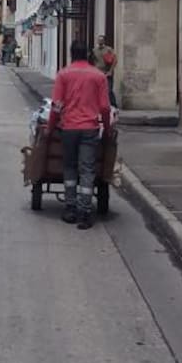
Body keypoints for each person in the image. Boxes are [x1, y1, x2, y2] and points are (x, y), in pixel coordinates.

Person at [47, 40, 112, 230]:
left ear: (71, 54)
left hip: (68, 128)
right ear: (88, 55)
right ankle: (85, 212)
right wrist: (107, 129)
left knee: (69, 167)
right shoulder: (98, 76)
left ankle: (70, 208)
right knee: (87, 168)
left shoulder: (64, 74)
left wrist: (51, 127)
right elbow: (105, 108)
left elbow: (57, 105)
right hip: (89, 129)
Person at [92, 35, 118, 107]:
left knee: (109, 90)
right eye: (99, 40)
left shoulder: (108, 49)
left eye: (101, 40)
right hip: (98, 73)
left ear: (104, 41)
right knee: (98, 90)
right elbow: (93, 61)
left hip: (107, 73)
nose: (100, 41)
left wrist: (110, 71)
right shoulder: (94, 50)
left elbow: (115, 60)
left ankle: (113, 105)